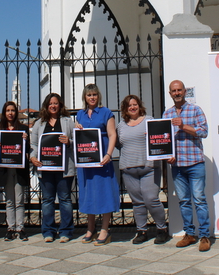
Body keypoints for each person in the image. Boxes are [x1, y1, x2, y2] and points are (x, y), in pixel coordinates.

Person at [162, 80, 211, 252]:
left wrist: (184, 126)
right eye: (173, 91)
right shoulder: (166, 114)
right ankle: (189, 234)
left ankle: (204, 235)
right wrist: (166, 154)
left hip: (195, 163)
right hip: (177, 166)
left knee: (199, 200)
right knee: (184, 201)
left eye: (179, 90)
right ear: (170, 94)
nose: (177, 93)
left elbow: (204, 131)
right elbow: (164, 140)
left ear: (184, 91)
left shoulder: (195, 110)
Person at [116, 94, 170, 245]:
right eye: (129, 105)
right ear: (125, 109)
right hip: (128, 168)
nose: (132, 107)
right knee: (137, 202)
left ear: (140, 106)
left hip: (149, 167)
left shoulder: (149, 121)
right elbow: (117, 144)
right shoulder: (121, 126)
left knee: (151, 199)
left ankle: (161, 229)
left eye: (135, 104)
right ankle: (141, 231)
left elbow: (160, 140)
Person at [75, 83, 120, 246]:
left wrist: (109, 154)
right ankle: (90, 228)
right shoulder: (79, 115)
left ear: (98, 96)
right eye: (89, 95)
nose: (92, 97)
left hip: (102, 159)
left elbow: (112, 133)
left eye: (94, 94)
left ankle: (105, 230)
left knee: (104, 192)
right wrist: (77, 127)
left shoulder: (106, 112)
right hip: (86, 161)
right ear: (84, 97)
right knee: (88, 193)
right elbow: (78, 136)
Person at [29, 93, 76, 243]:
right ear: (46, 106)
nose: (53, 106)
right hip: (46, 167)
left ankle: (66, 231)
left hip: (64, 168)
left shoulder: (68, 121)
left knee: (65, 199)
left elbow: (77, 140)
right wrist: (33, 158)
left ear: (60, 105)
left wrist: (69, 141)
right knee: (48, 200)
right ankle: (48, 231)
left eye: (56, 103)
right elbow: (34, 144)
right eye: (50, 103)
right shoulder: (39, 123)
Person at [0, 101, 30, 241]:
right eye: (8, 110)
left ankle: (20, 228)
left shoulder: (23, 129)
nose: (10, 113)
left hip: (19, 169)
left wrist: (25, 141)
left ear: (16, 112)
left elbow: (27, 150)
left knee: (19, 199)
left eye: (13, 110)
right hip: (5, 169)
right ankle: (10, 228)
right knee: (9, 200)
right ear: (4, 112)